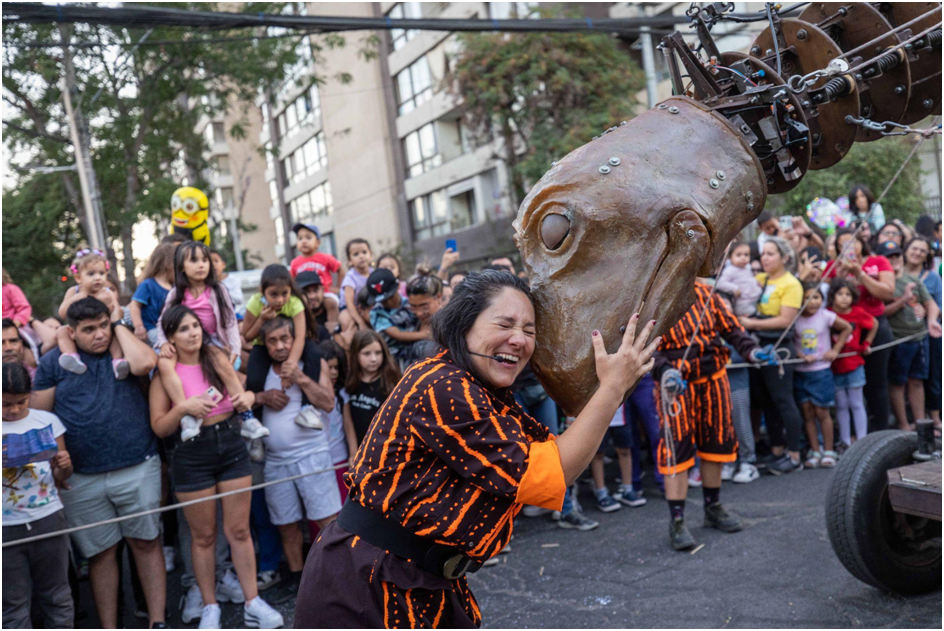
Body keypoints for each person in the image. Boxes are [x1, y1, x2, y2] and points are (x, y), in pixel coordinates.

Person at [293, 270, 659, 627]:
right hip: (368, 583)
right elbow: (550, 473)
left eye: (530, 331)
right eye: (505, 325)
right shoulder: (444, 385)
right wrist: (612, 389)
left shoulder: (485, 393)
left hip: (424, 581)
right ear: (463, 326)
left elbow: (554, 453)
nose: (519, 340)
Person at [31, 297, 167, 629]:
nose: (98, 335)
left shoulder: (123, 349)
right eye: (88, 330)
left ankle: (158, 622)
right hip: (82, 478)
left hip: (137, 465)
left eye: (103, 326)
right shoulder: (54, 363)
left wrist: (119, 327)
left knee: (146, 544)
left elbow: (146, 362)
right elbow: (38, 416)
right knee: (101, 555)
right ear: (72, 333)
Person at [148, 305, 283, 629]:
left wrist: (248, 399)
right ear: (170, 337)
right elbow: (159, 427)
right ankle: (210, 607)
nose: (193, 332)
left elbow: (246, 390)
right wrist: (183, 408)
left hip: (232, 443)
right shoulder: (164, 370)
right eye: (183, 329)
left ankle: (253, 601)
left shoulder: (215, 356)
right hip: (190, 454)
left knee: (238, 530)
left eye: (195, 325)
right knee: (204, 536)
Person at [655, 280, 770, 550]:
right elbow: (645, 346)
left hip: (713, 378)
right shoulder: (652, 296)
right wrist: (664, 371)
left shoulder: (706, 293)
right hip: (675, 385)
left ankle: (713, 507)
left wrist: (752, 351)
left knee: (716, 443)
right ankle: (677, 521)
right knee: (676, 449)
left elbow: (732, 330)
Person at [251, 317, 337, 596]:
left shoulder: (312, 362)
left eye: (285, 339)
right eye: (273, 341)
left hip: (312, 454)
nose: (280, 346)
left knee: (328, 522)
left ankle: (335, 577)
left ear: (295, 338)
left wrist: (299, 378)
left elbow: (327, 403)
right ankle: (300, 581)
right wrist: (263, 397)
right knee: (286, 524)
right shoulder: (261, 368)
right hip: (275, 460)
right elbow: (247, 395)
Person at [155, 242, 265, 443]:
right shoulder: (176, 294)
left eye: (205, 260)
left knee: (223, 366)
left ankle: (247, 417)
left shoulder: (217, 289)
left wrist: (235, 348)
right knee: (164, 363)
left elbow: (230, 320)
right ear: (181, 266)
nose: (201, 265)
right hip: (183, 343)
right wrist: (163, 343)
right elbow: (163, 321)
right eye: (194, 260)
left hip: (211, 341)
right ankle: (187, 415)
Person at [2, 362, 74, 630]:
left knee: (56, 596)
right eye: (6, 404)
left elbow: (62, 478)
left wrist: (64, 468)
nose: (14, 410)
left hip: (47, 518)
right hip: (5, 528)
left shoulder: (47, 421)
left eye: (21, 402)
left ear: (30, 394)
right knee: (13, 604)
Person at [739, 237, 806, 474]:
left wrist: (750, 323)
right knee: (766, 400)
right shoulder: (760, 280)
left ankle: (795, 455)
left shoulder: (791, 284)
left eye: (770, 254)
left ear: (784, 258)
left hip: (778, 347)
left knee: (783, 400)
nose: (764, 258)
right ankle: (777, 450)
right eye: (763, 254)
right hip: (757, 346)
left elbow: (786, 320)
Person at [826, 228, 896, 431]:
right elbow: (823, 299)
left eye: (852, 242)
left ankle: (881, 429)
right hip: (843, 331)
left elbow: (887, 292)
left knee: (877, 381)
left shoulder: (878, 261)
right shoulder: (833, 266)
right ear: (837, 248)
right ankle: (854, 434)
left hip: (874, 326)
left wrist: (860, 274)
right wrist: (837, 279)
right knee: (848, 385)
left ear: (861, 243)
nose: (848, 247)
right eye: (842, 244)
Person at [883, 240, 943, 431]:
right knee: (898, 383)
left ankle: (921, 426)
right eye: (889, 257)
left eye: (897, 255)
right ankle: (904, 426)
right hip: (898, 341)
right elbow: (882, 312)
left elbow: (931, 304)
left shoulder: (914, 280)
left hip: (920, 339)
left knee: (917, 382)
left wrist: (932, 319)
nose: (894, 260)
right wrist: (902, 300)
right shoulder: (883, 284)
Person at [794, 282, 853, 469]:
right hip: (801, 372)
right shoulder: (794, 318)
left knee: (822, 411)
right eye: (807, 298)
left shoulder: (825, 315)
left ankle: (829, 450)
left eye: (816, 297)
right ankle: (815, 449)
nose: (812, 302)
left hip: (821, 371)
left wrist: (835, 349)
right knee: (808, 412)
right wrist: (798, 355)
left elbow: (847, 328)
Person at [55, 249, 129, 379]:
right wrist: (82, 296)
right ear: (78, 278)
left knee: (116, 334)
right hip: (80, 330)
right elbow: (62, 313)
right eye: (91, 274)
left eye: (101, 273)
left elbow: (118, 312)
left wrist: (111, 309)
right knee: (61, 331)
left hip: (104, 328)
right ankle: (72, 357)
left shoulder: (107, 293)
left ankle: (117, 362)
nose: (97, 278)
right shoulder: (74, 291)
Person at [243, 264, 312, 392]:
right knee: (253, 381)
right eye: (273, 294)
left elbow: (300, 336)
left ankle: (307, 405)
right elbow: (247, 336)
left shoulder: (295, 303)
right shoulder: (255, 302)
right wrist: (262, 319)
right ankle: (256, 411)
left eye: (284, 293)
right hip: (263, 345)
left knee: (314, 355)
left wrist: (289, 367)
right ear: (262, 291)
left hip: (292, 343)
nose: (280, 300)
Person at [827, 278, 878, 450]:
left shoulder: (857, 312)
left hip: (855, 364)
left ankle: (862, 440)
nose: (844, 298)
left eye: (848, 294)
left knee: (856, 403)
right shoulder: (828, 314)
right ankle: (845, 441)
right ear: (832, 296)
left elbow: (874, 324)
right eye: (840, 294)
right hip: (835, 367)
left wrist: (867, 343)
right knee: (841, 405)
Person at [341, 329, 401, 455]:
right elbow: (348, 422)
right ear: (355, 354)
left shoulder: (390, 382)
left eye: (378, 353)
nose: (374, 359)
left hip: (385, 450)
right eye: (366, 354)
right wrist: (354, 452)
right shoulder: (351, 382)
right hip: (360, 449)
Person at [590, 403, 646, 513]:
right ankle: (601, 492)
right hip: (597, 410)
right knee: (598, 453)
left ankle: (627, 489)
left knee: (625, 449)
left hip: (620, 410)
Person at [366, 268, 425, 368]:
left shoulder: (409, 303)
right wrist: (424, 335)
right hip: (395, 357)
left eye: (390, 297)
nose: (388, 302)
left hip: (418, 347)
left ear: (398, 286)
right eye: (384, 300)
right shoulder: (377, 313)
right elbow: (398, 334)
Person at [318, 340, 351, 503]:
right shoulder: (310, 396)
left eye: (336, 368)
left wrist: (353, 453)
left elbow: (348, 425)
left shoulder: (342, 394)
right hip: (319, 461)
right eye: (328, 368)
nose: (333, 373)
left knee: (343, 501)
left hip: (340, 457)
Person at [915, 237, 942, 428]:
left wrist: (930, 316)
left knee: (933, 375)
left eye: (922, 250)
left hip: (931, 334)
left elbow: (939, 305)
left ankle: (935, 417)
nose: (917, 253)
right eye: (914, 248)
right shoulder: (897, 276)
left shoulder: (933, 277)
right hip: (908, 335)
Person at [290, 223, 341, 324]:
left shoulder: (325, 258)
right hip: (305, 294)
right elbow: (292, 279)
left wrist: (338, 287)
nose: (303, 241)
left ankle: (332, 327)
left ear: (317, 242)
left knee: (330, 303)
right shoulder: (295, 262)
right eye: (300, 238)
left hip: (325, 292)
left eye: (308, 238)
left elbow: (340, 269)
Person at [131, 243, 176, 346]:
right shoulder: (148, 285)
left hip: (171, 330)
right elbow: (135, 305)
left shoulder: (173, 287)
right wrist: (139, 326)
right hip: (153, 329)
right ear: (168, 263)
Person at [405, 267, 444, 361]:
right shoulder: (410, 321)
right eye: (413, 307)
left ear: (438, 297)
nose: (419, 313)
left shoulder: (448, 326)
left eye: (424, 306)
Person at [715, 241, 762, 317]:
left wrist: (756, 283)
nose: (743, 258)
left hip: (753, 299)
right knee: (752, 315)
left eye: (746, 255)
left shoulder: (748, 267)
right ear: (730, 257)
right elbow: (720, 283)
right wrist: (734, 288)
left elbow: (748, 279)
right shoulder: (730, 270)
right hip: (742, 303)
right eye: (738, 255)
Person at [339, 238, 374, 329]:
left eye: (364, 252)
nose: (361, 256)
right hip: (349, 308)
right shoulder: (350, 278)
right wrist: (360, 322)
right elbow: (349, 303)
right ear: (350, 261)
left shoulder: (374, 274)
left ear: (371, 255)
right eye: (356, 254)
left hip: (367, 306)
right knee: (346, 319)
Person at [295, 271, 334, 342]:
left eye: (316, 290)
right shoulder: (296, 321)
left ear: (323, 289)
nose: (312, 296)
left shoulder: (335, 311)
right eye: (306, 292)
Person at [209, 249, 245, 316]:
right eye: (210, 263)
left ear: (223, 264)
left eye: (216, 261)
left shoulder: (233, 280)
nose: (213, 265)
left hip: (232, 314)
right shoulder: (206, 282)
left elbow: (239, 299)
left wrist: (221, 292)